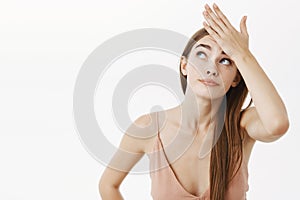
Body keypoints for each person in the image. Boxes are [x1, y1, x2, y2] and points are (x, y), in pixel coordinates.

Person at [99, 3, 289, 200]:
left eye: (225, 60)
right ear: (184, 66)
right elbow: (108, 185)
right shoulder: (149, 128)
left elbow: (278, 123)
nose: (211, 68)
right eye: (201, 54)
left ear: (236, 78)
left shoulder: (242, 126)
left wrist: (241, 53)